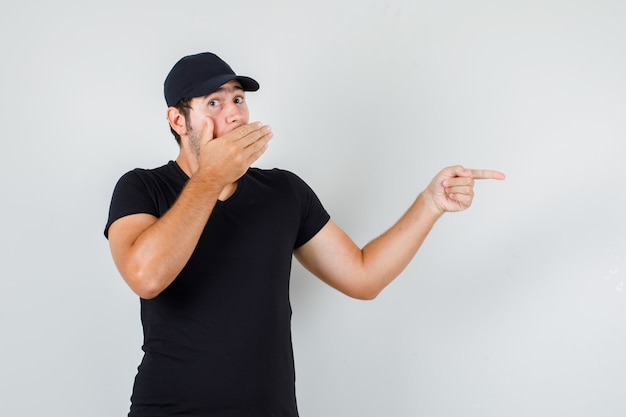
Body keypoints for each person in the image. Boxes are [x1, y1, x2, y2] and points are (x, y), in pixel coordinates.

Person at [104, 52, 505, 417]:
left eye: (238, 99)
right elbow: (146, 276)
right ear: (178, 120)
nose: (234, 114)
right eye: (214, 103)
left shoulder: (284, 192)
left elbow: (363, 276)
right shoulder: (142, 187)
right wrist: (211, 176)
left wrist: (429, 204)